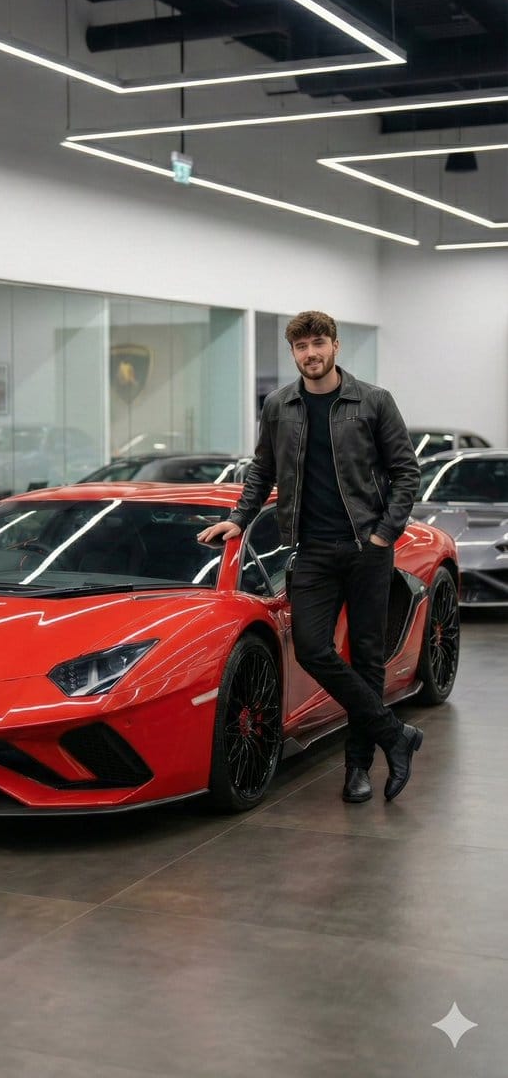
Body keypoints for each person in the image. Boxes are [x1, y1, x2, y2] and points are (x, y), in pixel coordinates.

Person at [198, 310, 422, 803]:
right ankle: (394, 733)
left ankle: (358, 769)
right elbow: (262, 469)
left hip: (368, 550)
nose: (311, 354)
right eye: (301, 348)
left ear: (335, 346)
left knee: (366, 659)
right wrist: (239, 517)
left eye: (318, 343)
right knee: (311, 648)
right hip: (313, 552)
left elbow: (407, 472)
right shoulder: (280, 405)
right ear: (293, 353)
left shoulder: (373, 401)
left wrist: (385, 534)